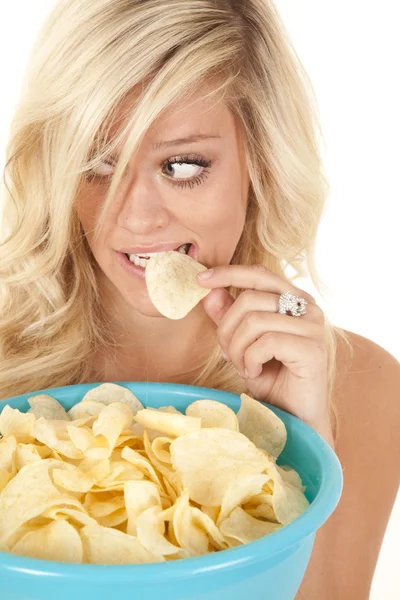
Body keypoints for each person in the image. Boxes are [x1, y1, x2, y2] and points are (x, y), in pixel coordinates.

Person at [0, 0, 398, 597]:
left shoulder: (364, 386)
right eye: (97, 163)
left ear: (259, 162)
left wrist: (302, 448)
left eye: (183, 165)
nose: (135, 216)